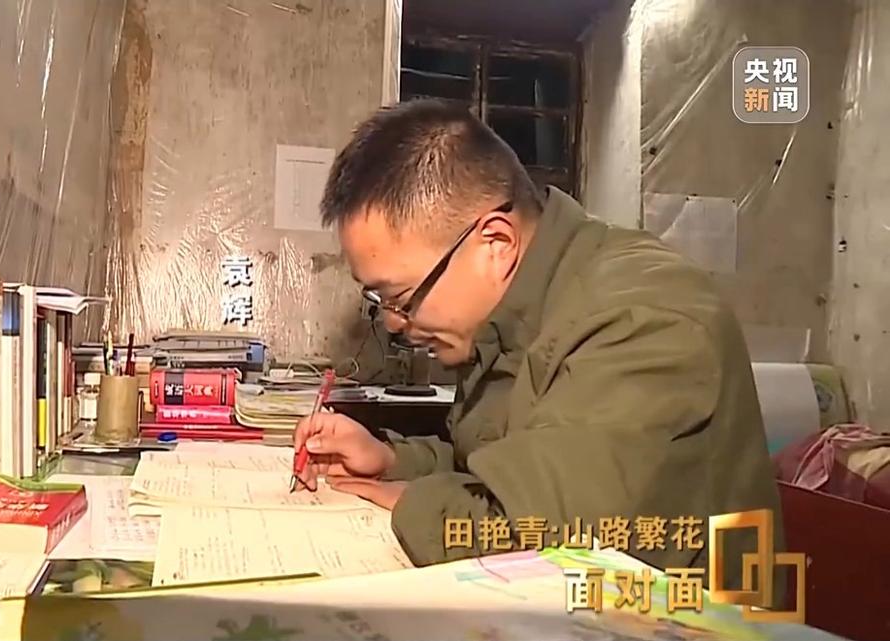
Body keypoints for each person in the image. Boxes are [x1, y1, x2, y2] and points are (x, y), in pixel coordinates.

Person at [293, 98, 782, 574]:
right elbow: (494, 463)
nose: (394, 323)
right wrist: (391, 460)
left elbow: (534, 542)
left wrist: (412, 502)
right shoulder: (516, 312)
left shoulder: (643, 316)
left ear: (495, 243)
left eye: (400, 296)